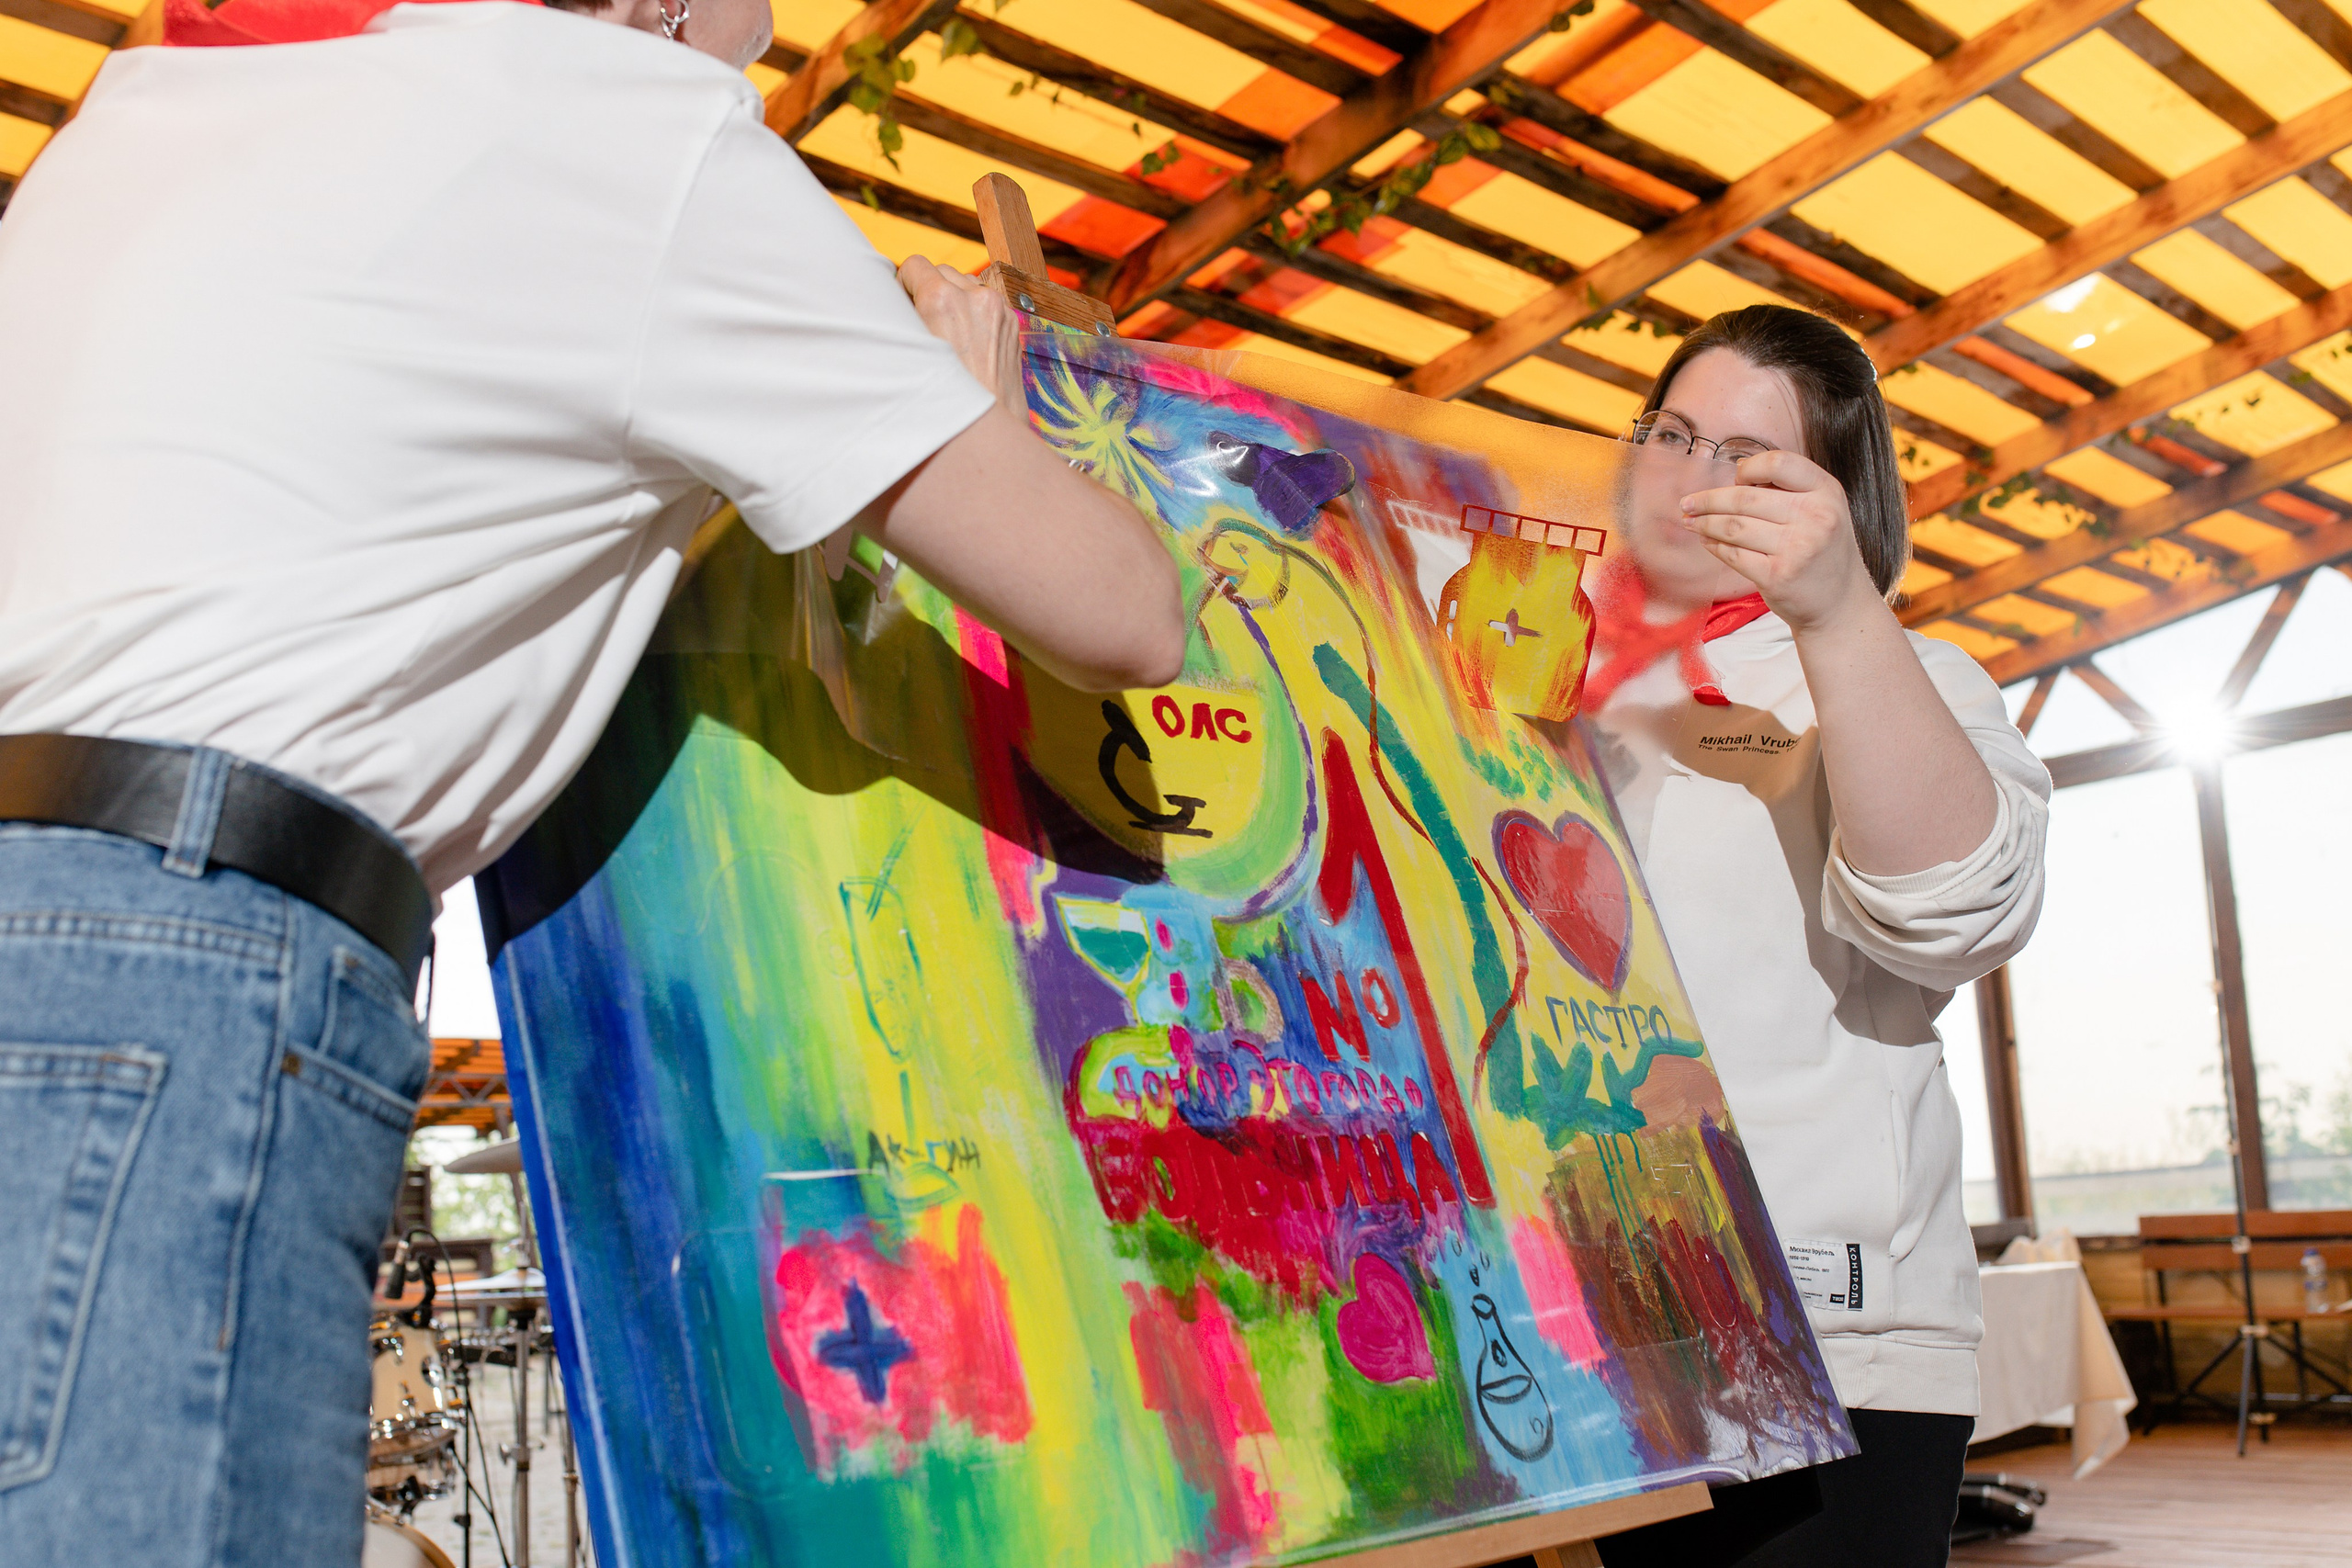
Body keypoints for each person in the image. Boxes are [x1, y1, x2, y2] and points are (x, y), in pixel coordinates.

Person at [0, 0, 1184, 1562]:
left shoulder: (153, 112)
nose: (756, 49)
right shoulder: (637, 133)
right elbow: (1126, 610)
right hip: (190, 953)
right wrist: (966, 399)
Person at [1574, 306, 2051, 1566]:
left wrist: (1838, 615)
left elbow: (1960, 907)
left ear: (1839, 501)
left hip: (1821, 1344)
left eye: (1751, 455)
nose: (1697, 478)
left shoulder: (1909, 676)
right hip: (1579, 1312)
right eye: (1673, 433)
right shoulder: (1550, 685)